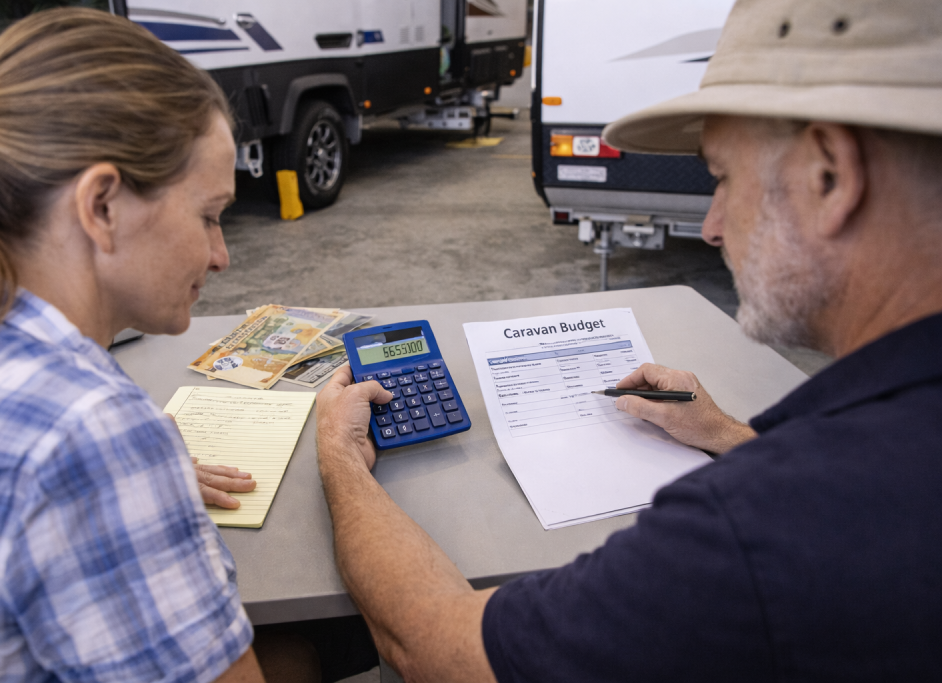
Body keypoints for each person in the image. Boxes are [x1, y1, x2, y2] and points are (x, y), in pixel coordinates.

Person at [314, 0, 942, 680]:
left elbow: (435, 646)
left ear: (830, 174)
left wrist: (342, 458)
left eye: (724, 179)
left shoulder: (754, 528)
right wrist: (727, 433)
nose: (711, 226)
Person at [0, 9, 373, 682]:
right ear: (101, 205)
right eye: (209, 215)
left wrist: (122, 494)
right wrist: (122, 473)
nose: (221, 256)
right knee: (343, 639)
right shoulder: (87, 432)